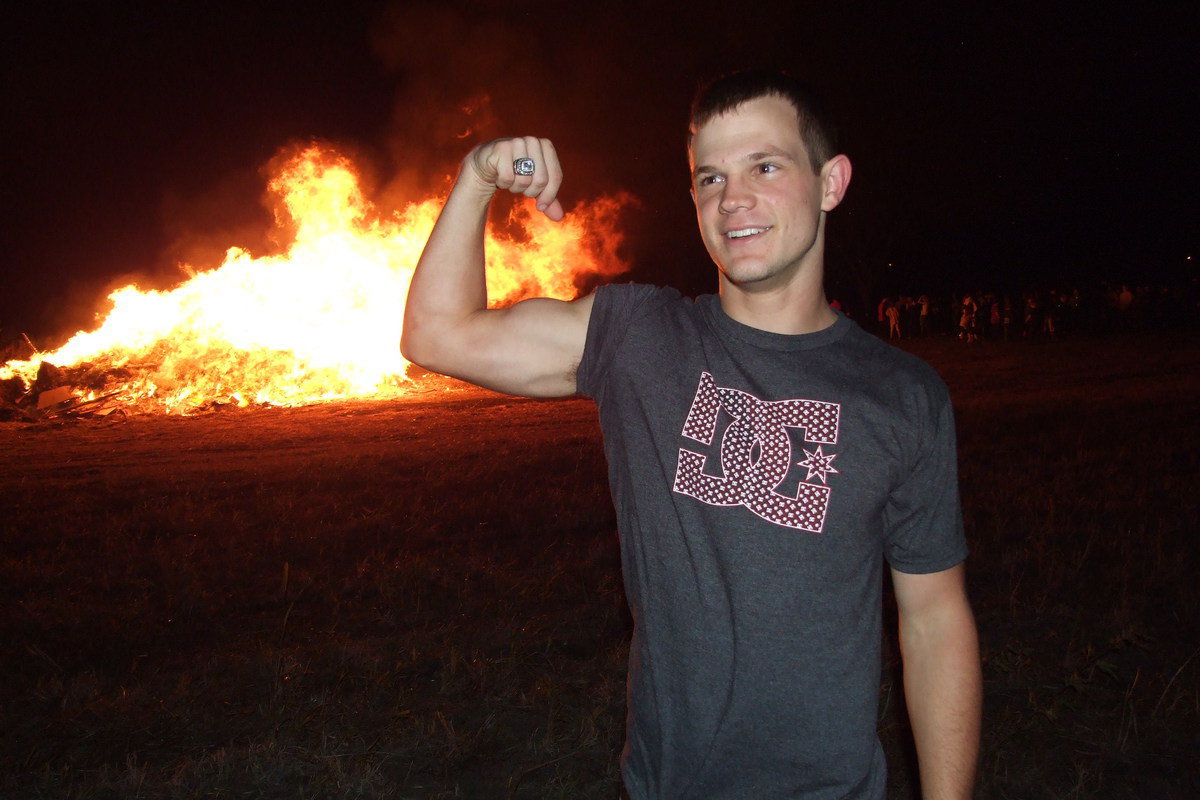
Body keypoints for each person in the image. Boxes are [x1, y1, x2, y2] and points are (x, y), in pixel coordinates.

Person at [403, 70, 981, 800]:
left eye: (764, 167)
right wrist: (476, 176)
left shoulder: (903, 396)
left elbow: (933, 620)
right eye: (710, 178)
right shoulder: (639, 337)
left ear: (830, 181)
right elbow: (435, 334)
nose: (732, 199)